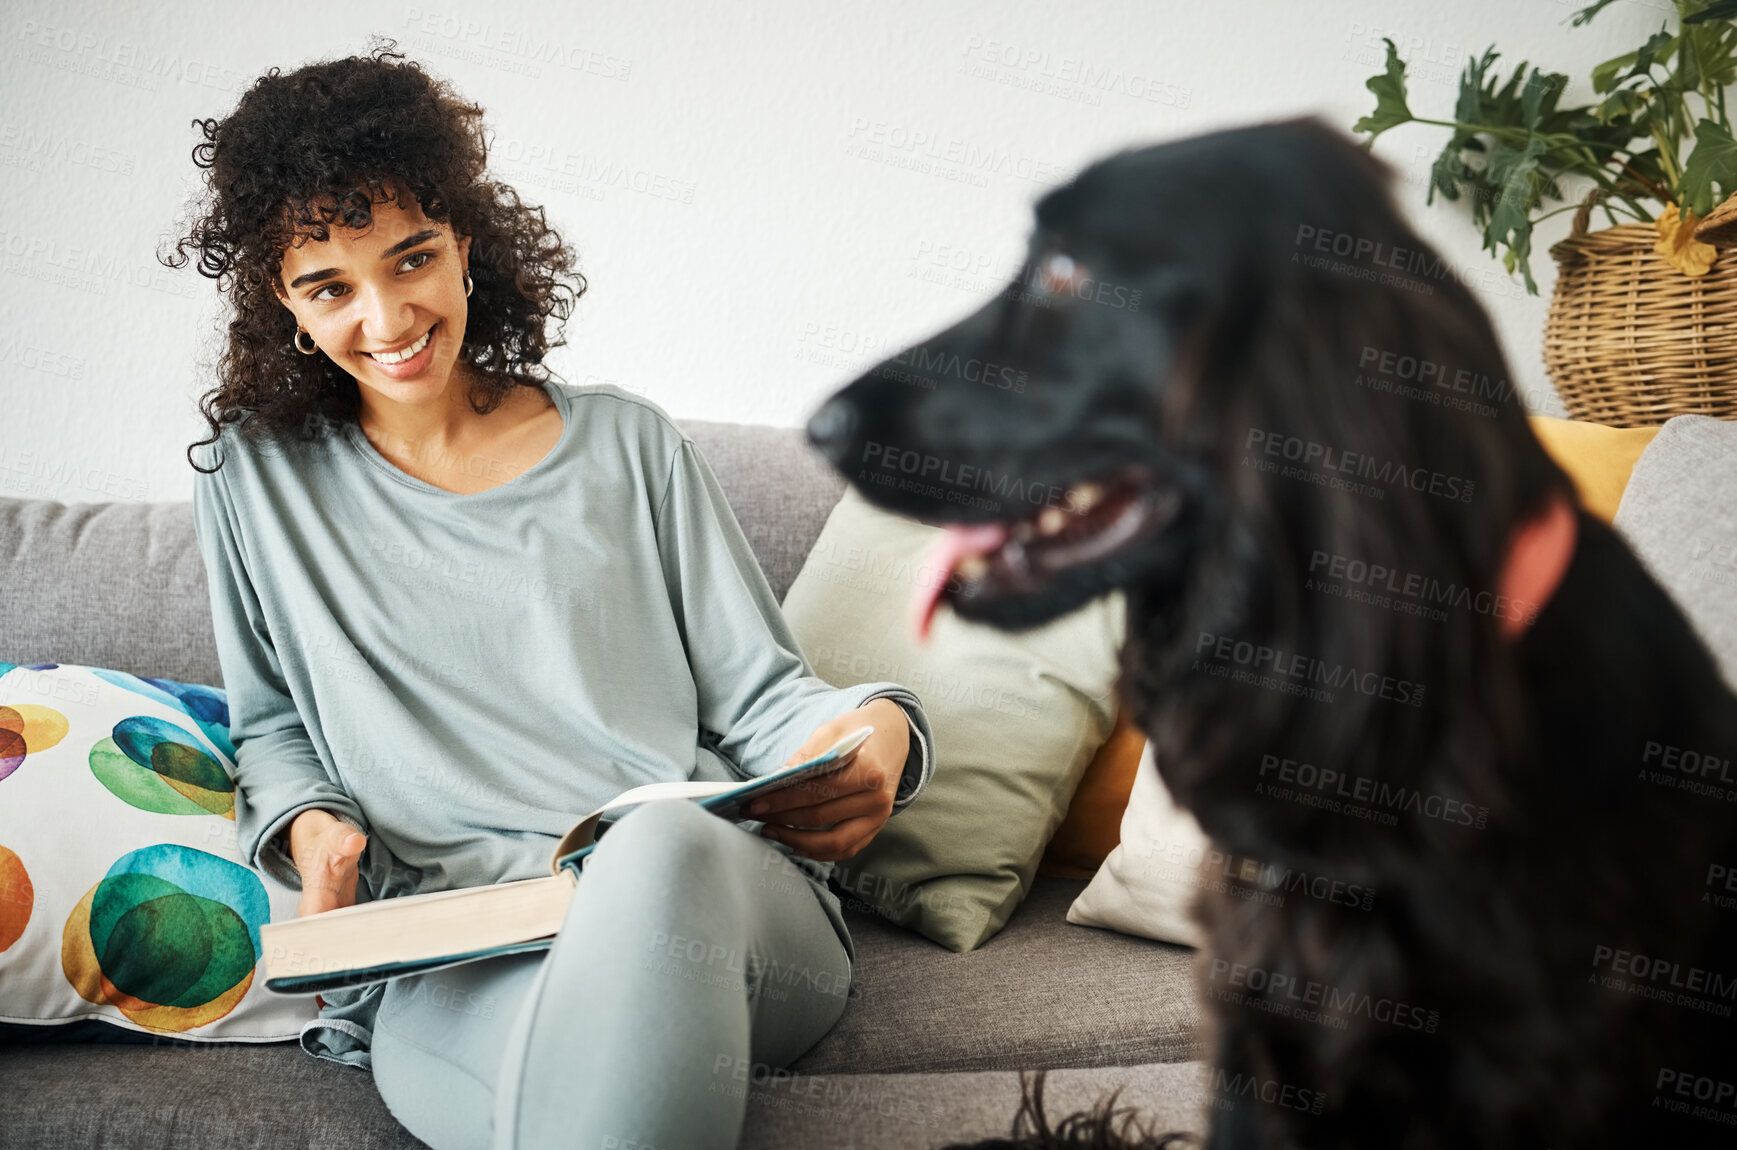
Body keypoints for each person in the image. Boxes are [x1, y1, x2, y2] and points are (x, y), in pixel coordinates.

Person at [169, 42, 935, 1150]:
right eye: (330, 286)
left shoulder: (629, 445)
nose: (385, 319)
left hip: (709, 899)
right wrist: (317, 830)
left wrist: (882, 729)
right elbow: (274, 722)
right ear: (284, 304)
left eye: (411, 258)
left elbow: (764, 694)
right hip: (461, 940)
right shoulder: (253, 480)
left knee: (653, 850)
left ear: (466, 244)